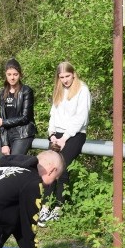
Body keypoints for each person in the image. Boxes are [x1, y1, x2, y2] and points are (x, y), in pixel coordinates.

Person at [39, 62, 92, 225]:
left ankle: (58, 208)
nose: (65, 80)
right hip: (57, 135)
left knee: (61, 168)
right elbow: (53, 114)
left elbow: (81, 117)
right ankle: (44, 207)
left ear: (73, 74)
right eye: (61, 77)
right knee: (48, 167)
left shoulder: (83, 89)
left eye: (67, 76)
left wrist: (65, 138)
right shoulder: (59, 89)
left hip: (75, 134)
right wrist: (52, 134)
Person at [0, 58, 37, 157]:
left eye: (15, 74)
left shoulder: (26, 91)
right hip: (8, 134)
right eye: (9, 74)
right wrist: (4, 144)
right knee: (2, 165)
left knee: (14, 164)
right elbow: (1, 120)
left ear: (20, 74)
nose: (12, 78)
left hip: (23, 133)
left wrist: (4, 122)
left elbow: (25, 117)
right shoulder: (2, 93)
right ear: (5, 75)